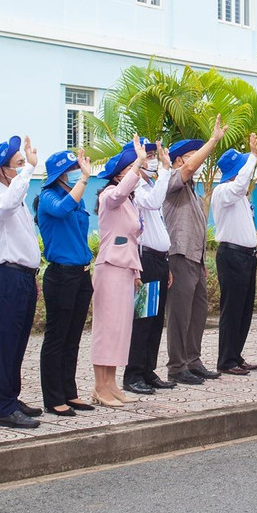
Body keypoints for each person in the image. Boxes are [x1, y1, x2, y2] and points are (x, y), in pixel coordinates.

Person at [0, 135, 42, 430]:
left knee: (18, 343)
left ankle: (12, 398)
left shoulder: (18, 199)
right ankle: (3, 407)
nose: (24, 167)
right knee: (6, 344)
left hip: (24, 277)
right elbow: (7, 203)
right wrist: (29, 170)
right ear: (3, 170)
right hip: (7, 277)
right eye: (17, 164)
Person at [162, 116, 227, 386]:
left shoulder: (192, 191)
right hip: (178, 256)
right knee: (179, 315)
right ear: (179, 160)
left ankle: (193, 360)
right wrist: (212, 141)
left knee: (198, 311)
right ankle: (177, 366)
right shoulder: (172, 181)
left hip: (195, 258)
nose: (197, 161)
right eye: (191, 156)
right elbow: (189, 168)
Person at [36, 148, 95, 417]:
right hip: (61, 275)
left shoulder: (76, 198)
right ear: (60, 173)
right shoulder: (47, 197)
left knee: (73, 338)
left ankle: (69, 392)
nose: (74, 175)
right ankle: (53, 397)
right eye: (70, 171)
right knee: (57, 337)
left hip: (81, 274)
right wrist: (83, 180)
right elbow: (61, 210)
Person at [91, 137, 149, 406]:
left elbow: (133, 240)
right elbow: (119, 192)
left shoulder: (131, 203)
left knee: (121, 329)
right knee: (106, 328)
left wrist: (137, 272)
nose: (136, 173)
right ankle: (99, 387)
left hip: (126, 269)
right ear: (118, 175)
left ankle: (112, 383)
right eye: (130, 169)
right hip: (110, 267)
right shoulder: (109, 197)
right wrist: (138, 163)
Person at [124, 142, 175, 396]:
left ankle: (148, 369)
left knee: (155, 320)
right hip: (144, 260)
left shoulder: (152, 184)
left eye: (155, 155)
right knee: (143, 319)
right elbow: (154, 203)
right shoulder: (136, 186)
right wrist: (166, 170)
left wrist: (166, 264)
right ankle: (133, 373)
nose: (153, 159)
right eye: (150, 155)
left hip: (158, 259)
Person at [210, 136, 257, 375]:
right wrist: (252, 155)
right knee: (232, 309)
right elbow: (240, 184)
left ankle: (235, 354)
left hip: (247, 257)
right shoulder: (223, 191)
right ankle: (226, 360)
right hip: (232, 256)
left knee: (244, 308)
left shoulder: (239, 195)